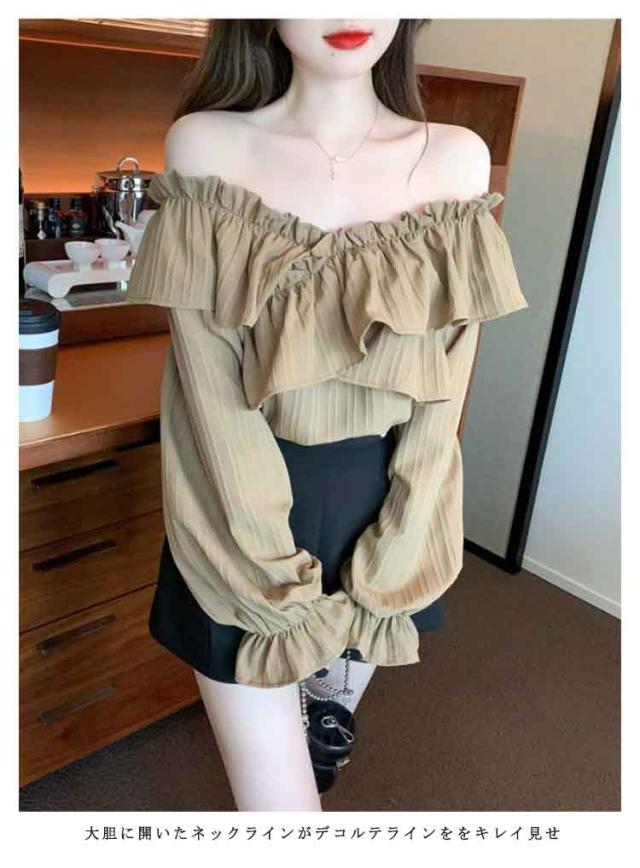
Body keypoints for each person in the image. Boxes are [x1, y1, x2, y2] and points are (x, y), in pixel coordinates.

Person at [125, 19, 528, 811]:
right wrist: (266, 577)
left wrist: (400, 550)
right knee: (283, 812)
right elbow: (208, 395)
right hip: (236, 525)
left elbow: (443, 397)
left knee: (313, 760)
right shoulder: (206, 146)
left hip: (392, 518)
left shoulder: (456, 159)